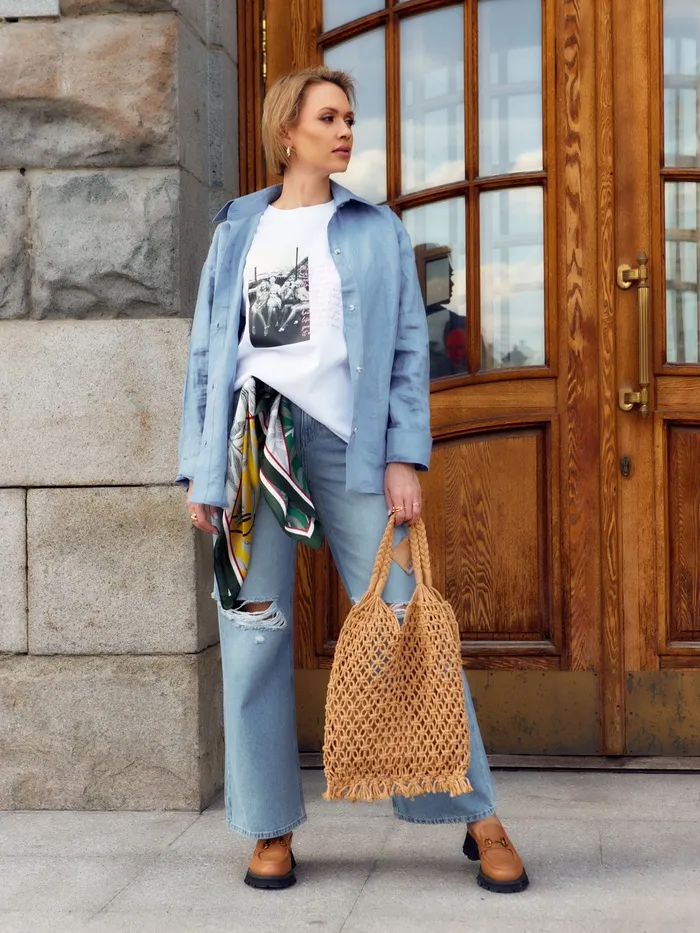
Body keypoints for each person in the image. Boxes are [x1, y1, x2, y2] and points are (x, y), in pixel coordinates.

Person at [177, 66, 529, 895]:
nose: (345, 132)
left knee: (408, 623)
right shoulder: (238, 230)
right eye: (328, 118)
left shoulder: (376, 230)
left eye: (348, 119)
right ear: (287, 132)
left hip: (352, 448)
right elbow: (208, 357)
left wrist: (404, 456)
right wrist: (202, 469)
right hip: (254, 448)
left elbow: (408, 348)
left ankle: (479, 815)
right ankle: (269, 826)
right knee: (253, 634)